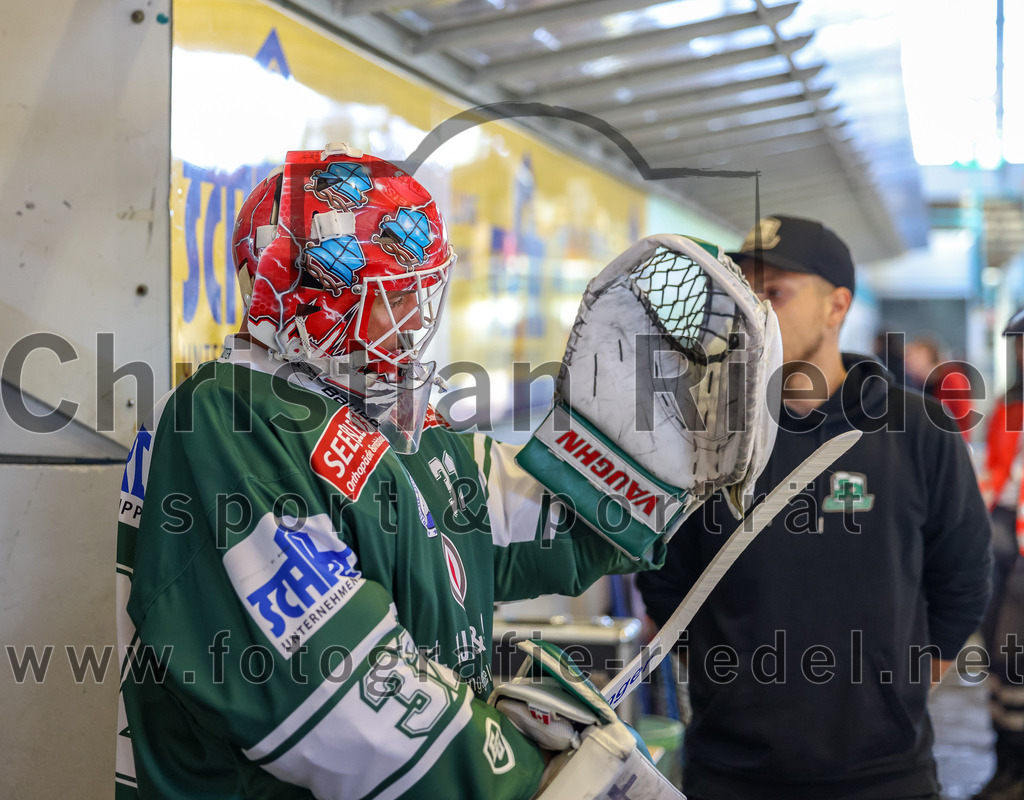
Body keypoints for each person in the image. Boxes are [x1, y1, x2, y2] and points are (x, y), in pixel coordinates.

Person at [113, 145, 772, 799]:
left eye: (423, 290)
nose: (416, 320)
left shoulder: (393, 419)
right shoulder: (226, 417)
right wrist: (523, 774)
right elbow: (332, 690)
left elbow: (540, 525)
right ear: (316, 296)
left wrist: (647, 458)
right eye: (395, 295)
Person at [637, 214, 993, 800]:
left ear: (837, 306)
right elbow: (664, 574)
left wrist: (900, 690)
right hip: (732, 771)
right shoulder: (705, 430)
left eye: (775, 292)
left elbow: (965, 574)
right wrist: (729, 686)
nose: (753, 309)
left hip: (885, 775)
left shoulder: (916, 429)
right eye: (744, 291)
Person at [973, 310, 1024, 800]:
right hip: (1000, 534)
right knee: (997, 650)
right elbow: (993, 473)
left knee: (1014, 650)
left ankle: (1016, 763)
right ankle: (1005, 760)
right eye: (1020, 343)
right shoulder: (1010, 405)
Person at [905, 334, 977, 441]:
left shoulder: (951, 378)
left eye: (915, 357)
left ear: (928, 357)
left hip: (951, 441)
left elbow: (963, 417)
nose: (909, 362)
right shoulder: (918, 384)